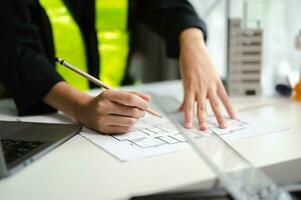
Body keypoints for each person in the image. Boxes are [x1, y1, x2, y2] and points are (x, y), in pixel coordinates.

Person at [0, 0, 235, 134]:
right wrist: (81, 108)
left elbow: (170, 6)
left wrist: (192, 40)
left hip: (120, 112)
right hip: (52, 116)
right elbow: (18, 53)